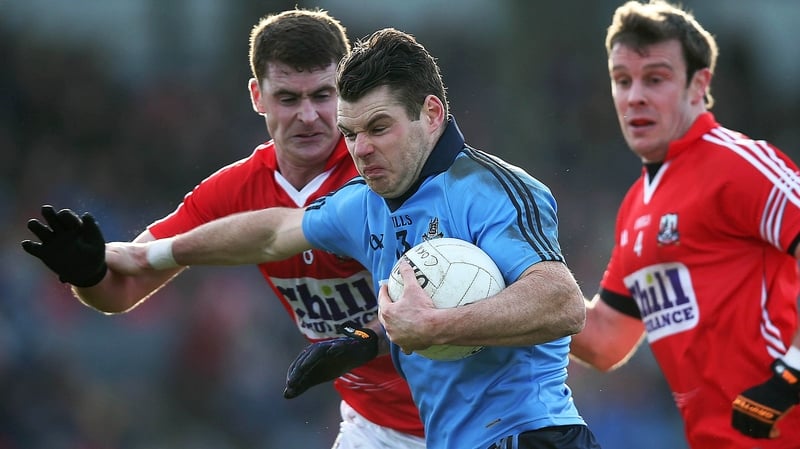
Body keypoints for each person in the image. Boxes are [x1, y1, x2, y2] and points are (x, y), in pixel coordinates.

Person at [84, 28, 602, 449]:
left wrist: (434, 326)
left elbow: (561, 302)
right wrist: (148, 254)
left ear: (431, 114)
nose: (361, 149)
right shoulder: (364, 202)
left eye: (379, 128)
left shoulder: (489, 190)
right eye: (351, 133)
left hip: (533, 436)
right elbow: (272, 232)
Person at [20, 9, 426, 449]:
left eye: (323, 96)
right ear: (257, 96)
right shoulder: (233, 191)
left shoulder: (386, 172)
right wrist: (88, 274)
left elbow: (440, 297)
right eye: (288, 98)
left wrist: (363, 340)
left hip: (461, 408)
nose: (308, 116)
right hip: (376, 427)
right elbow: (125, 288)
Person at [569, 1, 800, 448]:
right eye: (623, 80)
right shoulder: (636, 206)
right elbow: (606, 341)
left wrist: (792, 375)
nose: (635, 96)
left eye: (655, 79)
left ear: (699, 85)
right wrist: (518, 285)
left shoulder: (740, 165)